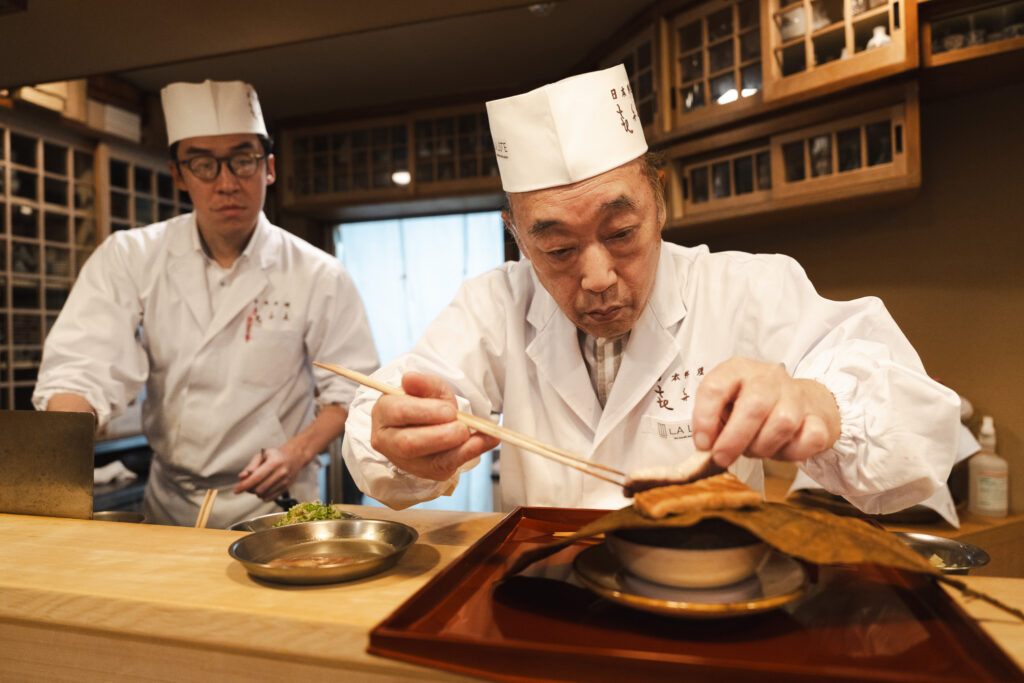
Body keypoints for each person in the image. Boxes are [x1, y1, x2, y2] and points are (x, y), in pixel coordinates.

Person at [341, 64, 961, 521]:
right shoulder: (493, 303)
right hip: (546, 599)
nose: (597, 277)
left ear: (659, 202)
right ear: (518, 239)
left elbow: (916, 431)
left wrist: (823, 404)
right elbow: (384, 413)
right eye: (557, 250)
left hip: (706, 602)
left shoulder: (747, 285)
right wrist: (400, 440)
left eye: (621, 233)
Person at [34, 80, 378, 528]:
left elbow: (352, 391)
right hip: (171, 502)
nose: (227, 183)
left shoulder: (318, 273)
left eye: (242, 160)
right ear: (179, 175)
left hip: (276, 500)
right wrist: (58, 466)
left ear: (268, 168)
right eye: (203, 164)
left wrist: (295, 453)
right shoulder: (130, 255)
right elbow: (81, 366)